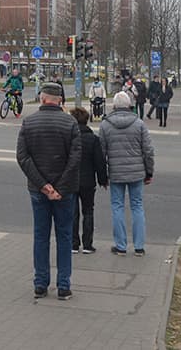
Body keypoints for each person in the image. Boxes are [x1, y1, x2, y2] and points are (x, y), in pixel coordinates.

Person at [16, 82, 81, 300]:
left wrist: (44, 186)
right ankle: (63, 286)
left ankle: (40, 284)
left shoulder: (29, 122)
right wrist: (59, 187)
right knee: (64, 236)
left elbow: (23, 158)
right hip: (65, 191)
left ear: (42, 99)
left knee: (41, 236)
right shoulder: (71, 123)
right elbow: (75, 159)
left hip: (38, 190)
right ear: (60, 100)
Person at [100, 91, 154, 256]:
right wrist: (149, 171)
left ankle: (121, 246)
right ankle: (139, 246)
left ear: (114, 106)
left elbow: (101, 152)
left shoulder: (105, 125)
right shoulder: (139, 124)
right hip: (137, 173)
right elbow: (148, 151)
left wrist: (103, 175)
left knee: (117, 207)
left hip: (116, 173)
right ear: (130, 105)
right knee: (137, 206)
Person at [70, 107, 108, 254]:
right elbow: (100, 162)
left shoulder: (70, 138)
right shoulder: (93, 139)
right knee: (88, 211)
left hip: (71, 180)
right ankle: (87, 244)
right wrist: (103, 180)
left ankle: (73, 244)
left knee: (73, 213)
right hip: (88, 181)